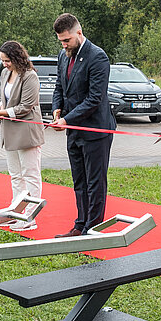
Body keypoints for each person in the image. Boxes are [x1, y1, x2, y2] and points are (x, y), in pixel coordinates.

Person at [49, 13, 115, 237]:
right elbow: (60, 86)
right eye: (61, 41)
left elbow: (95, 98)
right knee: (79, 180)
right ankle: (80, 224)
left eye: (67, 40)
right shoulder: (63, 55)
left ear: (79, 32)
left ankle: (92, 229)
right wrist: (57, 109)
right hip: (73, 130)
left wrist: (67, 119)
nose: (64, 44)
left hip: (96, 130)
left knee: (95, 182)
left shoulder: (98, 57)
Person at [0, 40, 45, 231]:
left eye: (7, 60)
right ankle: (17, 211)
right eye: (3, 61)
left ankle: (30, 217)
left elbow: (26, 106)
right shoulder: (5, 73)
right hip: (9, 130)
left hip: (27, 131)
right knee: (16, 176)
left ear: (17, 57)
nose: (5, 64)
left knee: (30, 174)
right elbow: (5, 100)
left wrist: (0, 113)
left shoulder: (30, 76)